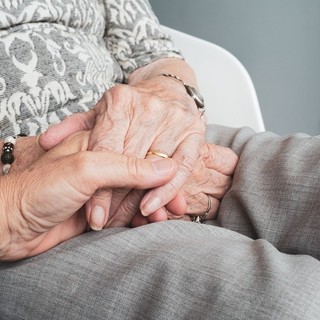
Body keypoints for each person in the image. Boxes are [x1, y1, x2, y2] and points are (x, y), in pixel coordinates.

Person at [0, 1, 319, 320]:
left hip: (144, 134)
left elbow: (154, 53)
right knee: (292, 302)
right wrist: (17, 170)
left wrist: (164, 100)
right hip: (21, 204)